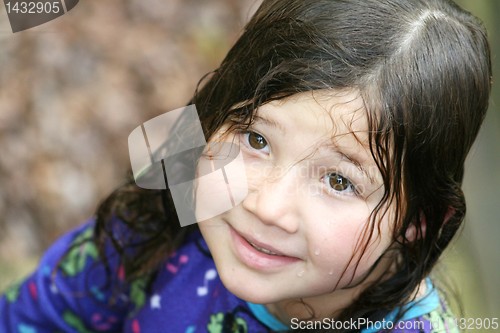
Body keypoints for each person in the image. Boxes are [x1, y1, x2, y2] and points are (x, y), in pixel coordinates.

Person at [0, 0, 492, 332]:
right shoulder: (167, 203)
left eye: (339, 180)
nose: (266, 206)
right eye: (256, 139)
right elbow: (34, 316)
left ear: (418, 223)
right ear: (212, 117)